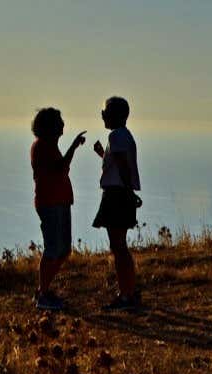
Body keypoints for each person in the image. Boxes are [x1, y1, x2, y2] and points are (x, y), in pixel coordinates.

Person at [29, 107, 87, 311]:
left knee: (62, 250)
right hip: (51, 203)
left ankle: (43, 290)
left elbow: (59, 169)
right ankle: (43, 294)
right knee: (54, 249)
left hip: (59, 201)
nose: (63, 124)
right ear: (50, 126)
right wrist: (73, 147)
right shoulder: (42, 147)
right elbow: (59, 169)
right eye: (59, 121)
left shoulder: (48, 146)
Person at [91, 96, 141, 310]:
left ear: (114, 115)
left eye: (104, 112)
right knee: (120, 246)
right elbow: (118, 163)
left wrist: (128, 193)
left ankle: (126, 296)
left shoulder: (116, 136)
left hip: (117, 195)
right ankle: (128, 292)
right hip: (120, 193)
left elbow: (122, 166)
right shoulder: (123, 136)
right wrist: (102, 153)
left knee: (118, 246)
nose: (102, 115)